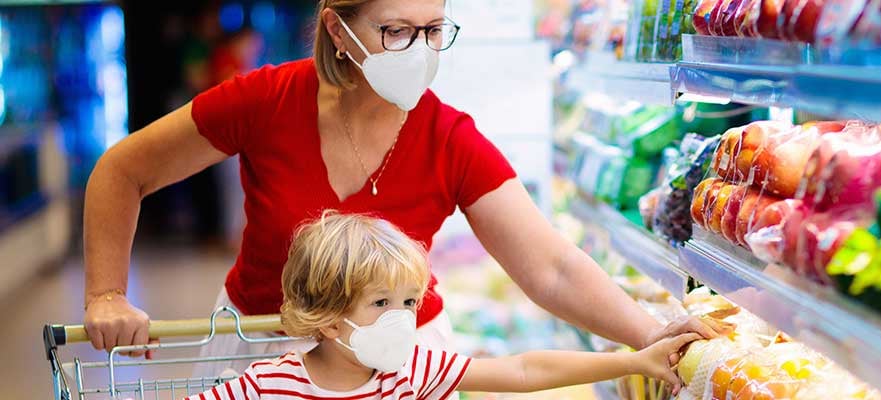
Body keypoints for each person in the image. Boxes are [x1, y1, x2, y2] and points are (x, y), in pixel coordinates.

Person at [81, 0, 718, 366]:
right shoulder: (266, 100)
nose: (421, 49)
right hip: (262, 347)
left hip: (397, 352)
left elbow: (548, 266)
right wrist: (105, 293)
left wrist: (648, 333)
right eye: (397, 32)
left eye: (434, 30)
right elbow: (123, 170)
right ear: (338, 29)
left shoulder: (449, 138)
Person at [185, 212, 700, 400]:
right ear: (325, 313)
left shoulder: (411, 371)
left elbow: (523, 369)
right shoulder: (266, 386)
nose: (402, 319)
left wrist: (634, 359)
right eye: (381, 303)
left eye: (409, 302)